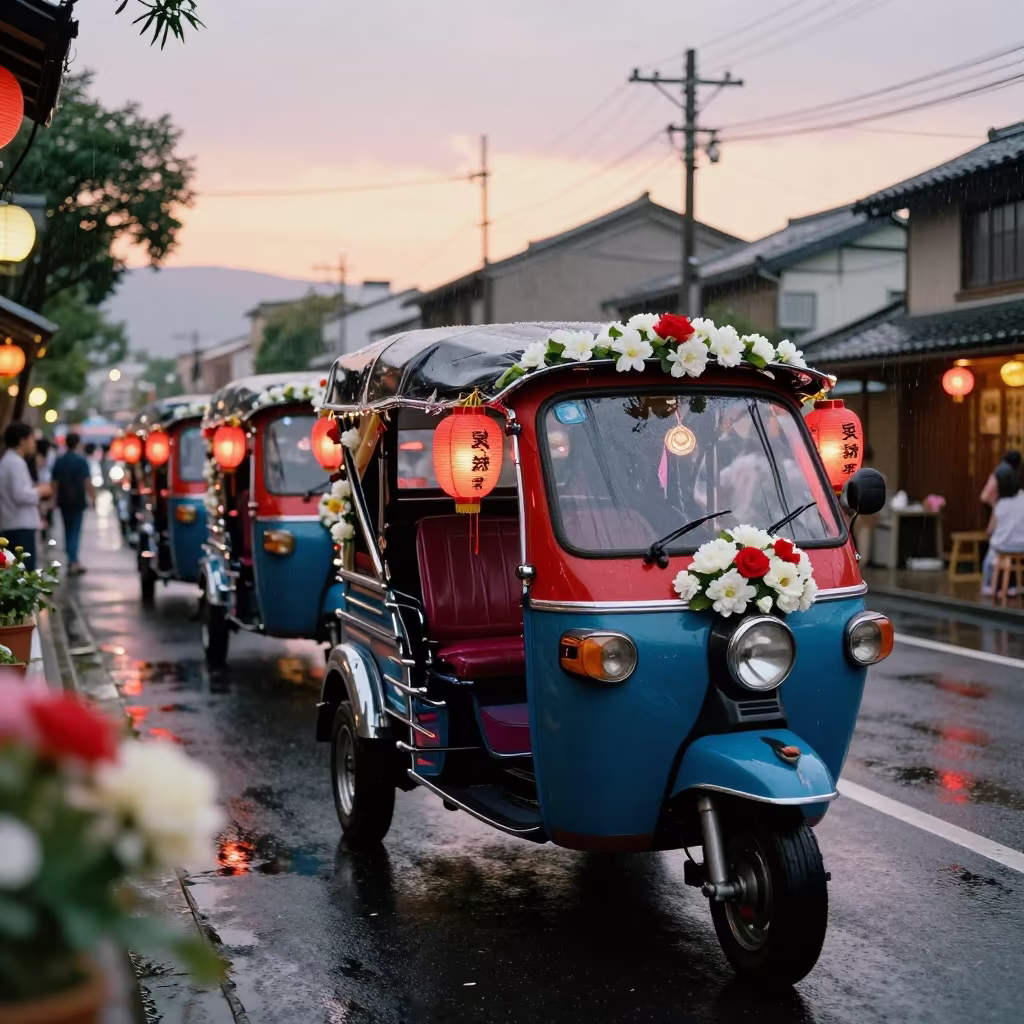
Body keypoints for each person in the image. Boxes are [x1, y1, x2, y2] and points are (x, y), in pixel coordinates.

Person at [0, 422, 50, 567]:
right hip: (20, 525)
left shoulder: (9, 461)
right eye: (32, 439)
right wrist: (40, 491)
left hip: (14, 523)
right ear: (22, 440)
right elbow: (20, 494)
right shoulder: (15, 462)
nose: (33, 444)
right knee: (24, 573)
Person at [51, 432, 95, 576]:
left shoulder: (60, 460)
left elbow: (54, 483)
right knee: (75, 532)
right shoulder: (81, 461)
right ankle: (73, 561)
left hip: (63, 501)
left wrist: (52, 499)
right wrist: (93, 498)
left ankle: (72, 560)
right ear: (77, 443)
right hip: (77, 501)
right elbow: (87, 481)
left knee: (67, 530)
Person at [982, 463, 1024, 596]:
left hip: (1003, 546)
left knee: (990, 556)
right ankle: (1015, 585)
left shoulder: (1000, 503)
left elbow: (991, 529)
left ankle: (990, 585)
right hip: (1022, 545)